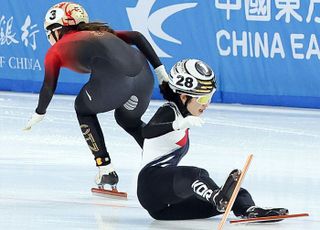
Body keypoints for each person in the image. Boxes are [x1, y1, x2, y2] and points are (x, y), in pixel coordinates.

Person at [24, 2, 169, 192]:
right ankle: (161, 159)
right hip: (144, 79)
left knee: (82, 108)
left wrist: (39, 112)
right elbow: (137, 36)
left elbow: (48, 86)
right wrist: (161, 73)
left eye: (49, 32)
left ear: (57, 29)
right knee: (127, 119)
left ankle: (105, 168)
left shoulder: (55, 51)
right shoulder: (101, 32)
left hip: (117, 81)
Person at [137, 59, 288, 220]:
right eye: (202, 99)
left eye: (209, 97)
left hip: (164, 209)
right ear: (183, 97)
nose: (207, 104)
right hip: (151, 186)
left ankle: (249, 210)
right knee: (197, 175)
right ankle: (217, 197)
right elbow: (146, 131)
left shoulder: (184, 114)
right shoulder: (169, 111)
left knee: (237, 193)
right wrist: (176, 124)